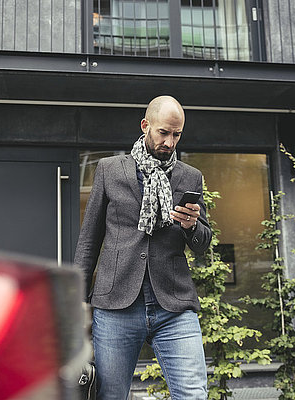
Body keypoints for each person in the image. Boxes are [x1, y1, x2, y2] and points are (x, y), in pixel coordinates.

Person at [74, 95, 212, 400]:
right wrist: (78, 300)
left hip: (174, 304)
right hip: (115, 304)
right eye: (163, 133)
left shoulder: (190, 177)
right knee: (110, 395)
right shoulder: (110, 170)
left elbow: (204, 243)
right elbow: (89, 240)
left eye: (176, 135)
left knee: (193, 394)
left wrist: (191, 226)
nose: (170, 142)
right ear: (145, 125)